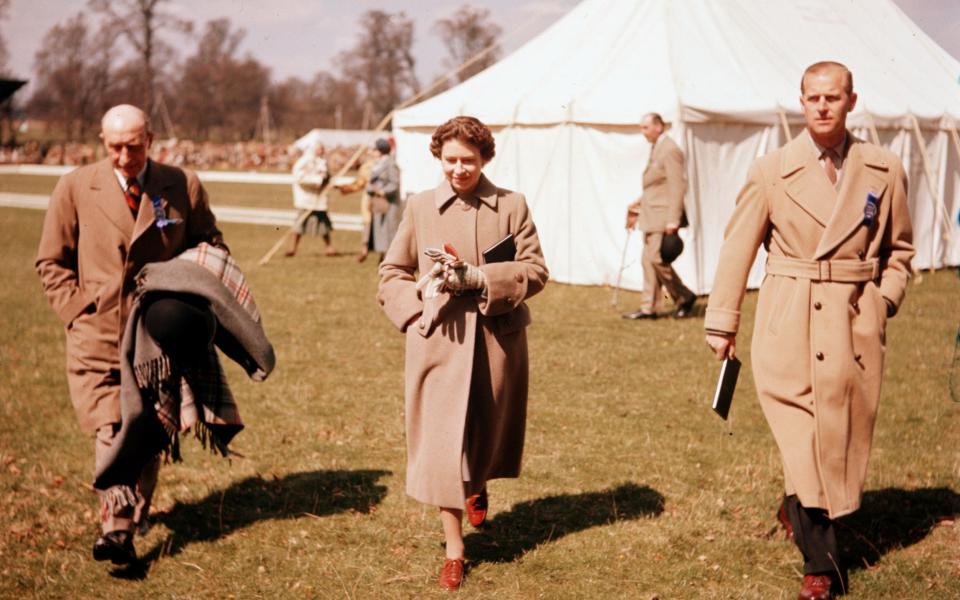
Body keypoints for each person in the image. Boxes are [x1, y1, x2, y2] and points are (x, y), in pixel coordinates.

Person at [704, 62, 914, 599]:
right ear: (801, 102)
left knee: (837, 433)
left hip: (852, 318)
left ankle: (795, 507)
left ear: (851, 101)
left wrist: (882, 300)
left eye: (833, 97)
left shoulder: (885, 168)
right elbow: (737, 249)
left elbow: (901, 251)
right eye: (813, 97)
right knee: (803, 432)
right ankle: (822, 566)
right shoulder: (771, 169)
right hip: (788, 314)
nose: (823, 106)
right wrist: (723, 321)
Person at [35, 104, 226, 565]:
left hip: (155, 338)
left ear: (152, 139)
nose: (124, 157)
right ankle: (116, 529)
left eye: (133, 146)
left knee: (148, 426)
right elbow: (51, 262)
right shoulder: (76, 186)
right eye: (114, 146)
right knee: (114, 426)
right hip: (96, 337)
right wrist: (79, 311)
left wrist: (181, 297)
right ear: (102, 141)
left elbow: (211, 245)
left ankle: (136, 512)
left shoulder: (181, 184)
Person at [378, 116, 549, 590]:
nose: (458, 169)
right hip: (439, 343)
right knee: (441, 448)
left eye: (468, 161)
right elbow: (391, 270)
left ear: (485, 159)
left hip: (497, 343)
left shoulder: (511, 206)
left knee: (484, 437)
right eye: (450, 160)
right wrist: (415, 311)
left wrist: (481, 279)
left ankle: (477, 486)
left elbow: (536, 270)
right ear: (438, 157)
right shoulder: (419, 207)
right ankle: (455, 550)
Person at [623, 113, 696, 320]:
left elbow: (677, 186)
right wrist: (636, 206)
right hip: (651, 215)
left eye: (645, 127)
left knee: (655, 259)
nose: (642, 132)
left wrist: (673, 219)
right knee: (648, 261)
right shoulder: (657, 149)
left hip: (662, 217)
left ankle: (684, 296)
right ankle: (649, 308)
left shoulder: (670, 150)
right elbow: (656, 187)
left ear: (659, 127)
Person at [286, 144, 336, 257]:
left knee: (323, 223)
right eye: (320, 149)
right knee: (300, 223)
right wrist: (318, 180)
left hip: (318, 198)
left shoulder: (322, 161)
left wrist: (327, 179)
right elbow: (299, 177)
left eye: (323, 148)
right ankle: (293, 247)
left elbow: (326, 176)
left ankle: (329, 247)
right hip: (306, 197)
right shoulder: (304, 161)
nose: (322, 151)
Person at [334, 146, 378, 262]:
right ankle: (364, 250)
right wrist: (345, 188)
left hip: (382, 198)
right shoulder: (367, 166)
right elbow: (360, 183)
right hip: (369, 198)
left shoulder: (385, 164)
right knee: (367, 224)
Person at [365, 138, 401, 261]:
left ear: (381, 150)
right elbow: (371, 182)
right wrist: (371, 189)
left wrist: (383, 191)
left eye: (374, 149)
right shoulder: (377, 164)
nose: (372, 152)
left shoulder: (390, 164)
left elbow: (394, 183)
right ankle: (382, 256)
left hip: (389, 203)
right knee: (380, 229)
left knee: (390, 229)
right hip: (378, 202)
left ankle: (393, 258)